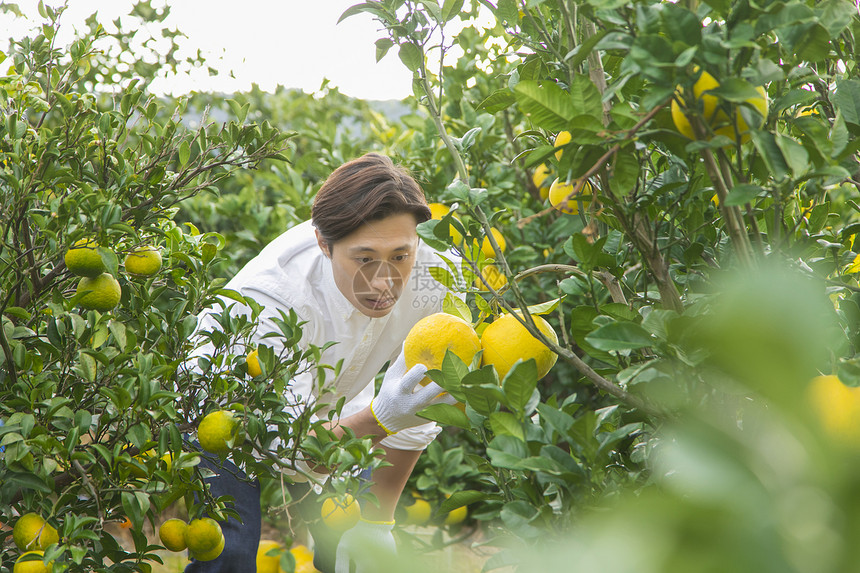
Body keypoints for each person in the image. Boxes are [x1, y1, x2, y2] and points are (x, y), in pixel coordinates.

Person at [185, 153, 458, 572]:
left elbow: (419, 405)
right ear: (323, 244)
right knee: (231, 553)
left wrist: (377, 523)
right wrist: (382, 416)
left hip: (339, 399)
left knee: (353, 552)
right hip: (229, 411)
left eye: (401, 256)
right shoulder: (274, 302)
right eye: (364, 258)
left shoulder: (434, 280)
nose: (383, 282)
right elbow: (289, 452)